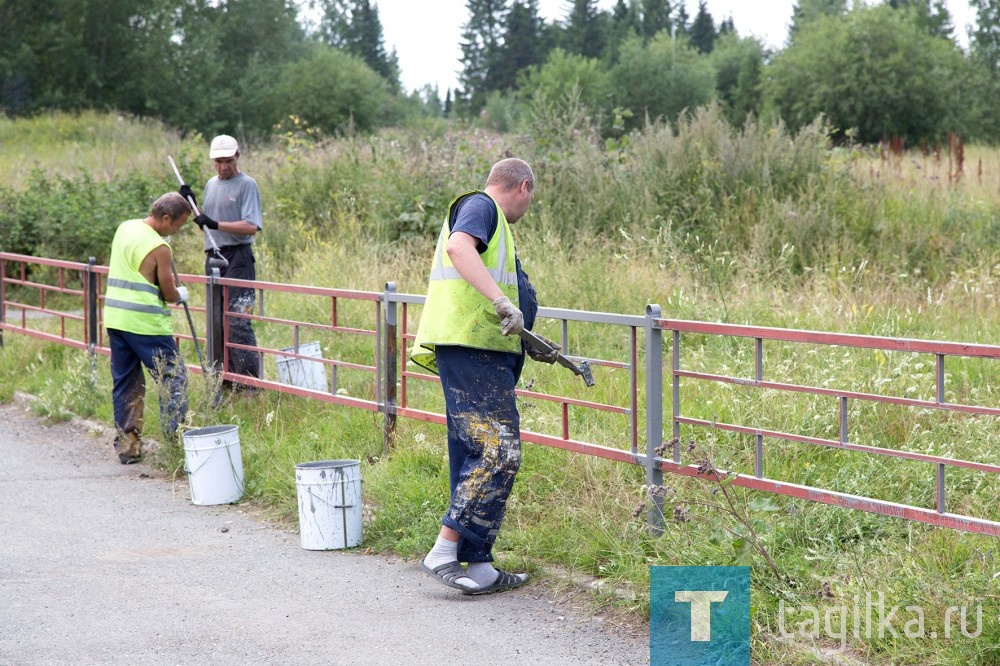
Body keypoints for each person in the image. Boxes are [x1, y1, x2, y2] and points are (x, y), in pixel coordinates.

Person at [411, 158, 559, 595]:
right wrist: (502, 302)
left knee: (474, 452)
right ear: (524, 187)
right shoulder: (482, 206)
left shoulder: (497, 227)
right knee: (500, 451)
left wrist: (526, 335)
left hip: (481, 348)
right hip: (470, 348)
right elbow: (459, 249)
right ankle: (443, 551)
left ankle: (477, 564)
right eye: (531, 198)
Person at [103, 193, 191, 464]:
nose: (177, 230)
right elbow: (167, 292)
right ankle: (176, 443)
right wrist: (180, 293)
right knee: (173, 379)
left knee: (126, 381)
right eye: (177, 225)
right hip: (145, 324)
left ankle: (128, 447)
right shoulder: (160, 248)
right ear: (166, 218)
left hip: (116, 320)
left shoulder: (125, 227)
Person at [179, 134, 263, 388]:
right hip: (213, 257)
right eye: (218, 161)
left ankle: (249, 385)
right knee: (216, 323)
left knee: (237, 321)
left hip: (238, 258)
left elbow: (251, 226)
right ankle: (224, 383)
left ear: (237, 156)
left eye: (228, 160)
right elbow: (208, 226)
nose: (223, 166)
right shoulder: (211, 185)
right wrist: (190, 205)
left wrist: (214, 223)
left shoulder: (247, 184)